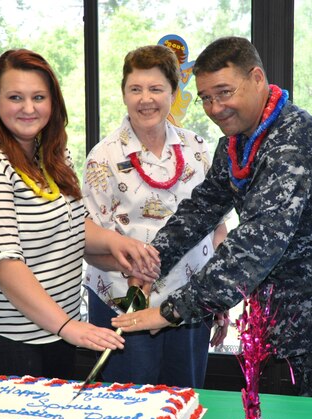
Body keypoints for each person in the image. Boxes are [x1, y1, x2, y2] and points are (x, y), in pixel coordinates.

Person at [113, 36, 312, 400]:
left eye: (224, 92)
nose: (215, 107)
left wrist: (171, 311)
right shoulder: (236, 143)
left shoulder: (293, 142)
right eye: (205, 98)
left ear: (257, 78)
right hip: (293, 312)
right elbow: (200, 210)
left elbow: (256, 242)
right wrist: (150, 264)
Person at [0, 49, 159, 380]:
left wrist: (116, 246)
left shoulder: (51, 155)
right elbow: (4, 264)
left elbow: (72, 226)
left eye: (38, 97)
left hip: (54, 328)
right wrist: (69, 327)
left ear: (52, 102)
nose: (29, 108)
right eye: (16, 97)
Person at [82, 45, 229, 388]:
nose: (145, 99)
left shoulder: (198, 149)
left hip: (190, 302)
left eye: (156, 88)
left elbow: (218, 227)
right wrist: (130, 264)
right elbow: (85, 236)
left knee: (184, 399)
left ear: (173, 93)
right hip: (123, 300)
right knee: (127, 407)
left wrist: (219, 294)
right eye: (135, 89)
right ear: (123, 94)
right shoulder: (103, 156)